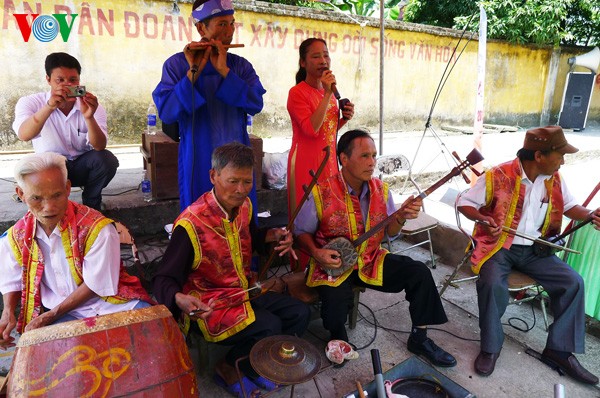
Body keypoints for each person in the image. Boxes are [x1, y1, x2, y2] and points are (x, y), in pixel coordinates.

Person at [152, 142, 311, 397]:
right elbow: (163, 277)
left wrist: (273, 235)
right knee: (269, 325)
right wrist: (178, 298)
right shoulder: (192, 224)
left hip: (243, 291)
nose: (240, 190)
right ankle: (227, 368)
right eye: (233, 181)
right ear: (213, 176)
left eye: (247, 182)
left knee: (299, 313)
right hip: (210, 304)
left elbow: (251, 237)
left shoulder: (244, 206)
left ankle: (265, 362)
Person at [294, 129, 457, 368]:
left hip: (371, 260)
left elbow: (391, 233)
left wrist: (402, 217)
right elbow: (300, 233)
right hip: (333, 265)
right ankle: (338, 337)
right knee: (335, 304)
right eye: (364, 156)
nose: (372, 163)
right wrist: (317, 253)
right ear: (344, 159)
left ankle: (419, 338)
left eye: (374, 155)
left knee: (419, 272)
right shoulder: (321, 192)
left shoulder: (382, 190)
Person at [457, 125, 600, 384]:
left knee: (573, 283)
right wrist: (483, 218)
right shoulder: (498, 174)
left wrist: (590, 215)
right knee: (491, 284)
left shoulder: (554, 178)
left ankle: (559, 350)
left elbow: (570, 207)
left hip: (536, 249)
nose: (563, 161)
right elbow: (464, 203)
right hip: (499, 246)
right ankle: (490, 347)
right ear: (539, 156)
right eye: (559, 155)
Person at [0, 152, 152, 350]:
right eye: (36, 198)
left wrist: (50, 315)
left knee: (152, 341)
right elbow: (11, 280)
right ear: (21, 194)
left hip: (112, 305)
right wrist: (8, 312)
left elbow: (96, 285)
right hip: (63, 314)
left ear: (67, 188)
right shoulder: (14, 237)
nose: (48, 207)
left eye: (57, 195)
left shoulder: (98, 229)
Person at [153, 0, 266, 212]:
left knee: (240, 214)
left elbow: (256, 103)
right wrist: (192, 71)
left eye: (232, 24)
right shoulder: (177, 64)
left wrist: (224, 71)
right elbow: (167, 113)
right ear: (200, 27)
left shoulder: (240, 66)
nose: (230, 31)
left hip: (237, 155)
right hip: (198, 156)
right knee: (200, 215)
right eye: (222, 24)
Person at [13, 52, 118, 211]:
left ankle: (92, 203)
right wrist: (49, 107)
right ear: (48, 79)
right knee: (30, 166)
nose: (67, 85)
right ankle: (53, 203)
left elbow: (99, 146)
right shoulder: (31, 102)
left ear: (79, 81)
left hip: (83, 166)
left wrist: (89, 117)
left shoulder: (91, 105)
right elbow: (24, 134)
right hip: (50, 169)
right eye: (60, 80)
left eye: (73, 80)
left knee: (106, 160)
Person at [287, 38, 355, 224]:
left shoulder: (330, 93)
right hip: (306, 162)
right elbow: (311, 130)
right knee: (306, 215)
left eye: (326, 55)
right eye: (316, 56)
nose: (323, 61)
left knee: (328, 213)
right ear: (303, 62)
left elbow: (327, 130)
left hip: (329, 161)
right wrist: (327, 94)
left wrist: (343, 119)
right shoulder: (297, 93)